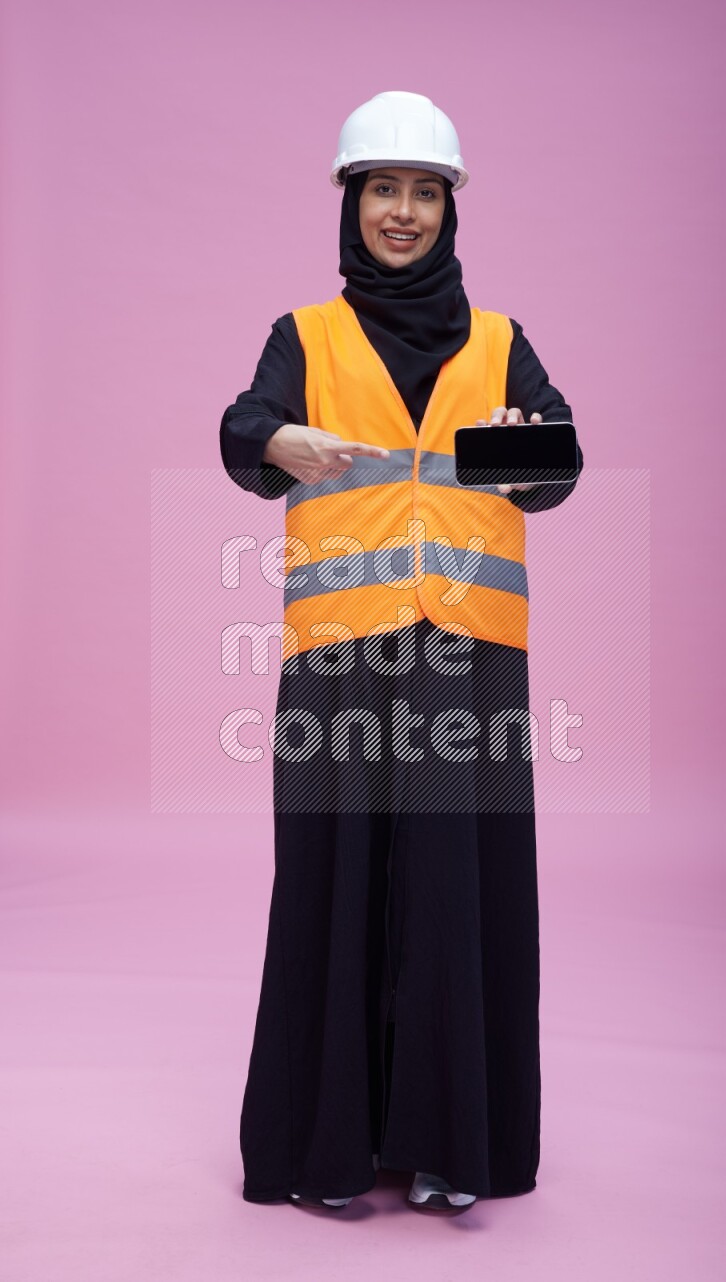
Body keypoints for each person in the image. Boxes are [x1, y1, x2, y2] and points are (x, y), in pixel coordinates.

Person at [219, 91, 584, 1215]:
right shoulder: (306, 335)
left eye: (423, 192)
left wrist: (531, 461)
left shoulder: (499, 340)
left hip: (468, 659)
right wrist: (277, 438)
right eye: (382, 188)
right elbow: (245, 431)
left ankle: (448, 1146)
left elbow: (558, 459)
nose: (402, 211)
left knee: (452, 893)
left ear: (449, 210)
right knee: (329, 888)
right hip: (339, 658)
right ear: (351, 200)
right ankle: (325, 1149)